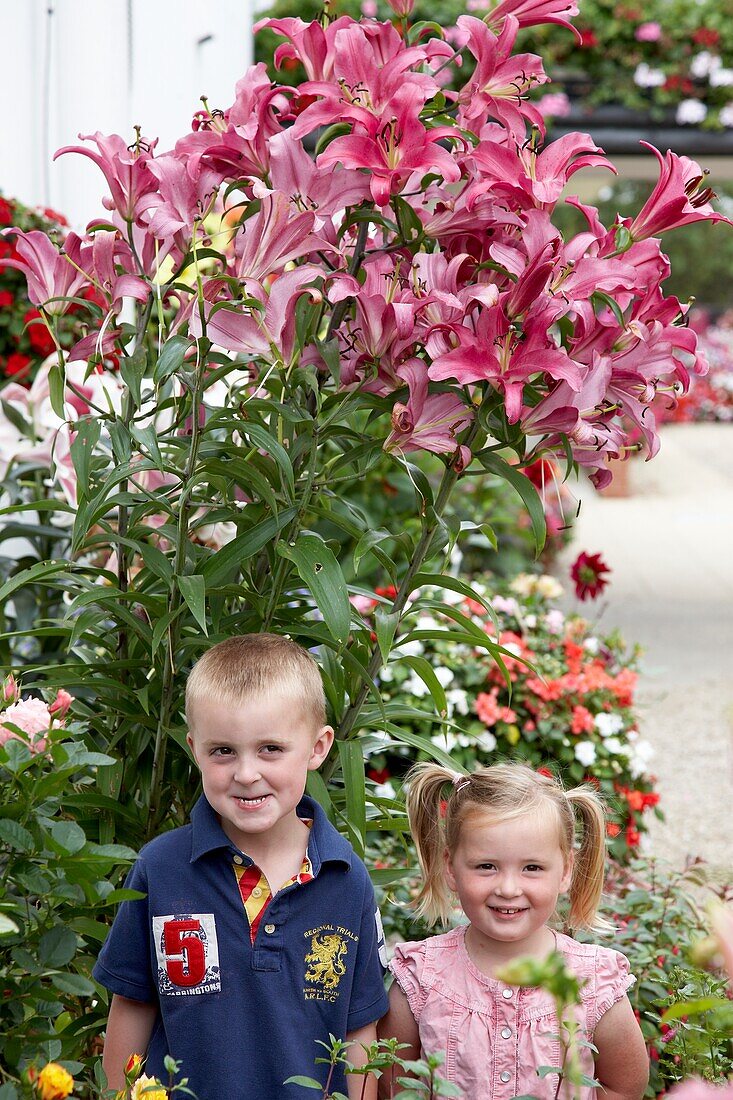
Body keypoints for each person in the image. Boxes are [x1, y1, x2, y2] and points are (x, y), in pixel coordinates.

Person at [94, 633, 388, 1100]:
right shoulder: (162, 868)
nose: (246, 773)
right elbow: (132, 1004)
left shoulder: (346, 880)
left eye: (271, 748)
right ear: (195, 748)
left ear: (317, 747)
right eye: (223, 751)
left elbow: (360, 1031)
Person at [378, 762, 649, 1100]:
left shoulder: (594, 983)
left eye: (532, 868)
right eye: (486, 866)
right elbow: (392, 1088)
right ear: (450, 867)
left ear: (565, 871)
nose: (508, 888)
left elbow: (625, 1088)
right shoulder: (421, 980)